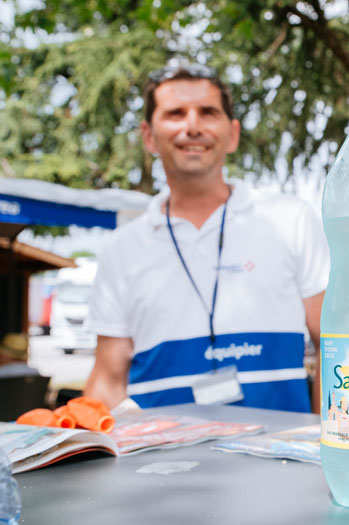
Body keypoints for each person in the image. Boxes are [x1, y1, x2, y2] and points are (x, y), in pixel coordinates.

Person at [84, 63, 328, 414]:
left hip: (278, 462)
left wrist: (322, 446)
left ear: (232, 134)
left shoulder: (290, 220)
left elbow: (334, 346)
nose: (193, 126)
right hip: (157, 464)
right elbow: (107, 381)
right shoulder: (120, 249)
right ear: (148, 136)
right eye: (175, 113)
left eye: (208, 112)